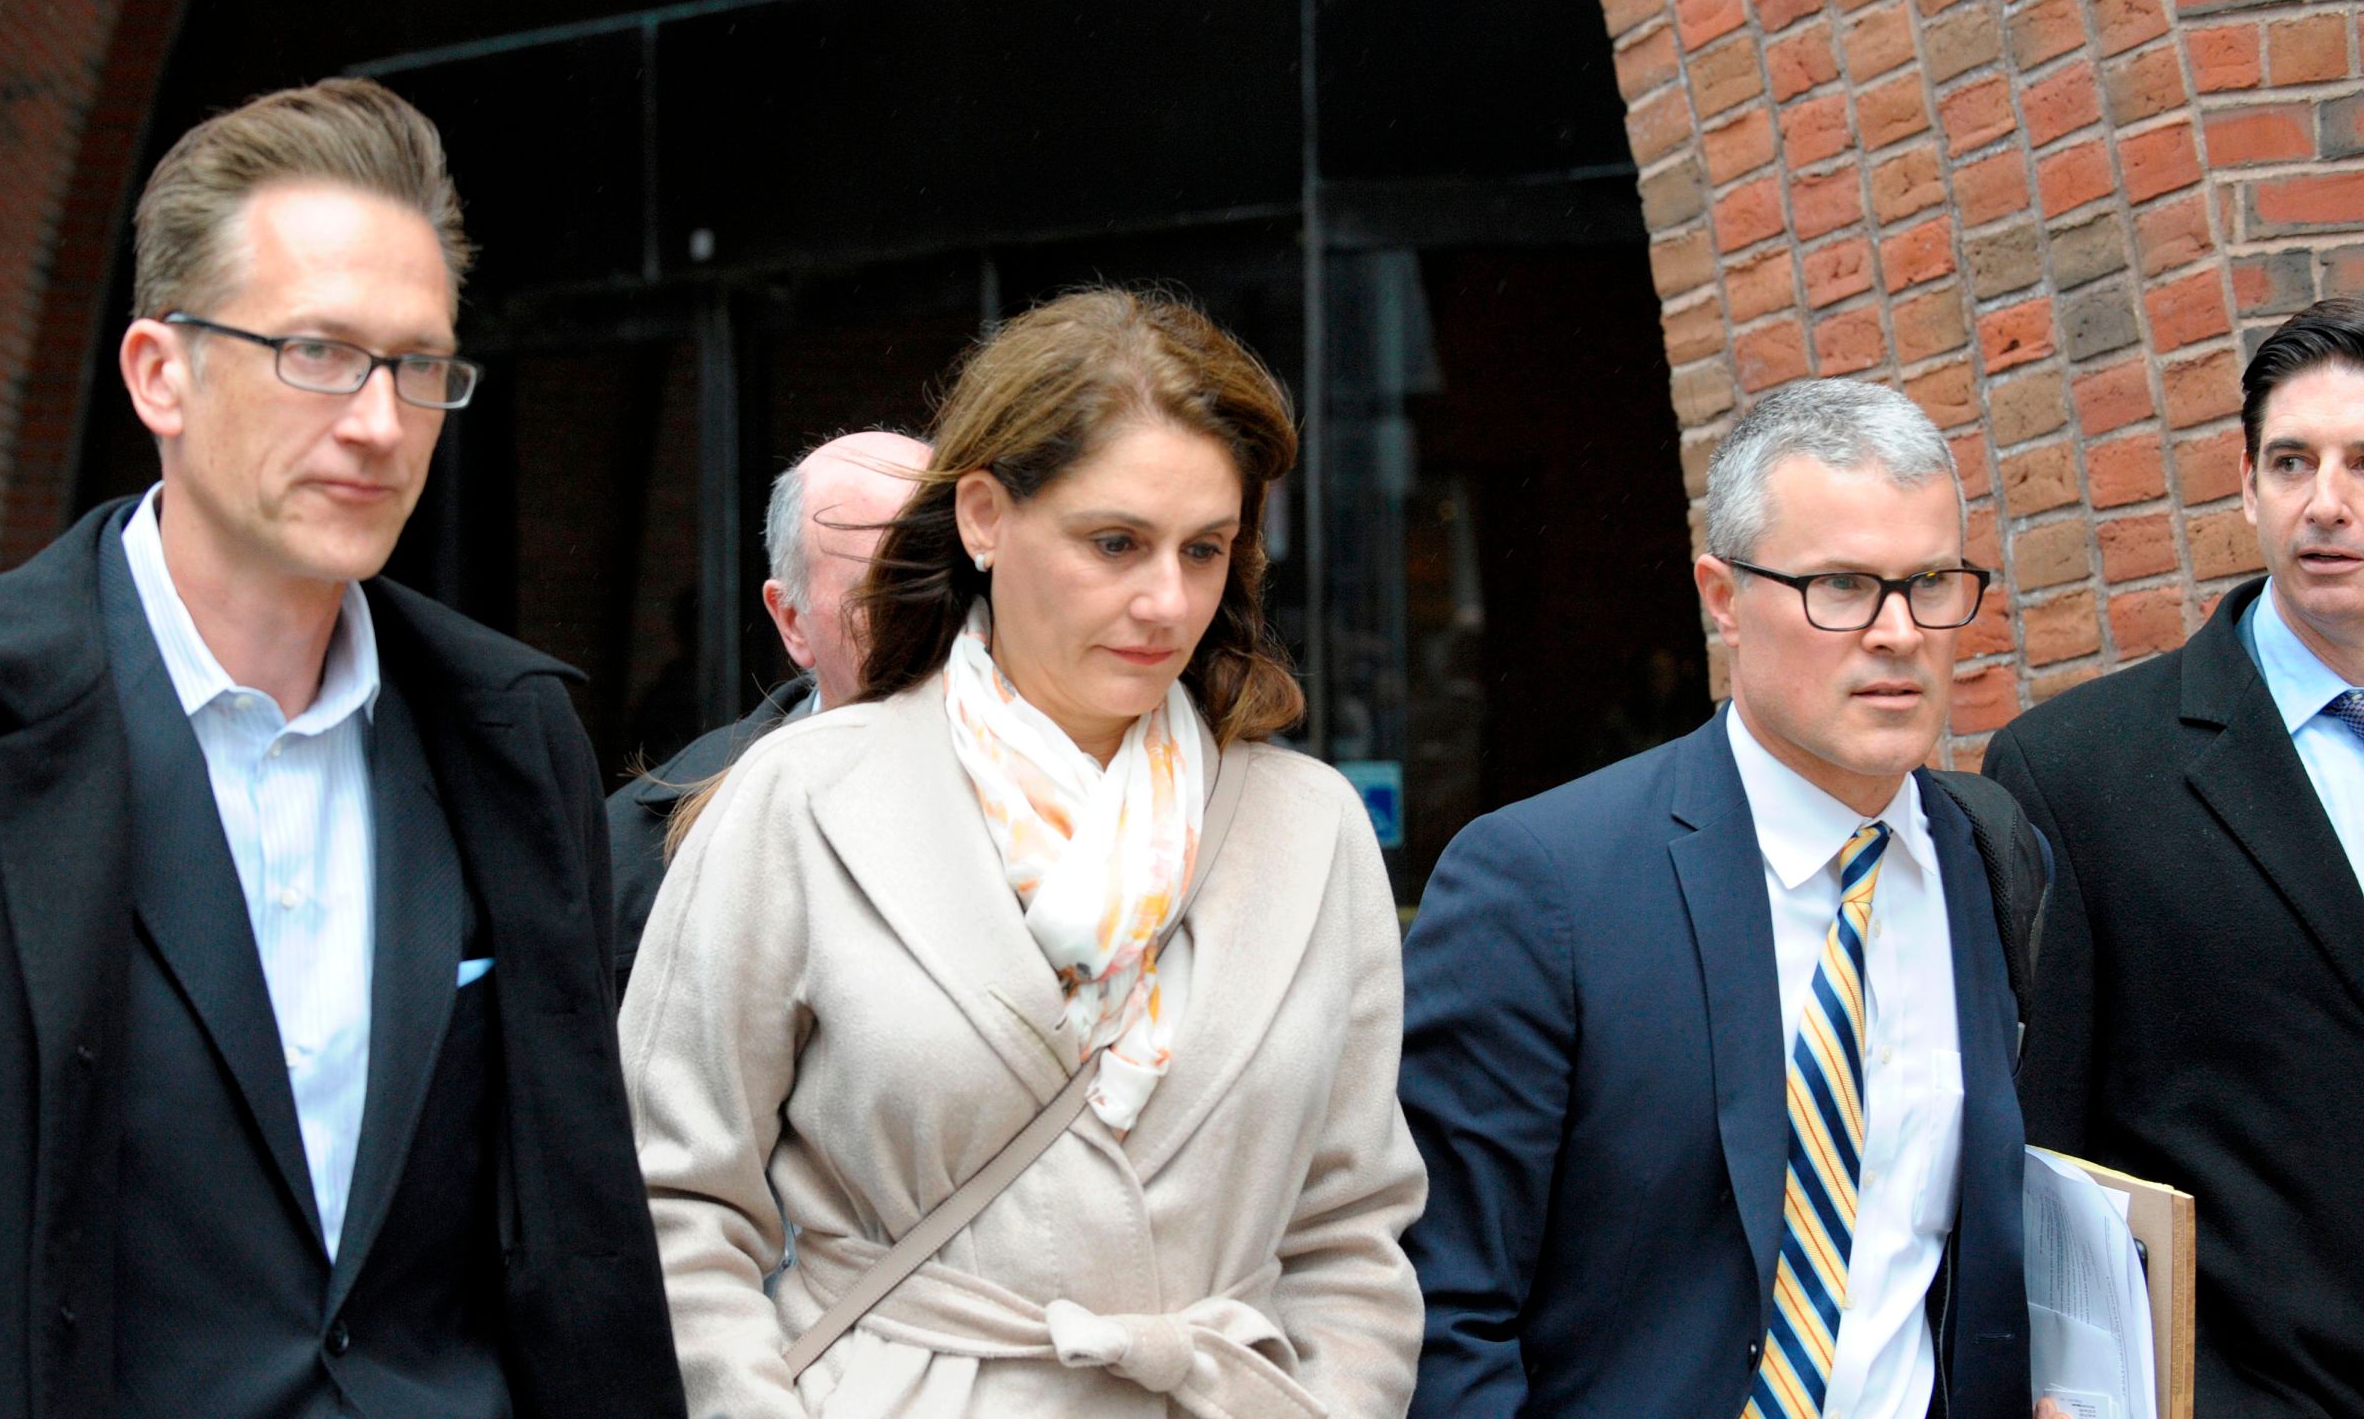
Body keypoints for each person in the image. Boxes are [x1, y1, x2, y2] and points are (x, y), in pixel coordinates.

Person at [0, 78, 684, 1418]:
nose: (380, 424)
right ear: (161, 372)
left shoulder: (510, 742)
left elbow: (575, 1224)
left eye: (418, 366)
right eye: (318, 353)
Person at [621, 288, 1427, 1417]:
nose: (1166, 599)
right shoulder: (798, 803)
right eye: (1115, 542)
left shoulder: (1311, 826)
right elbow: (670, 1207)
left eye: (1205, 549)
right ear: (984, 516)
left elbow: (1351, 1227)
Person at [1402, 378, 2031, 1417]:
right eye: (1839, 586)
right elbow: (1444, 1310)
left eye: (1929, 583)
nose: (1897, 632)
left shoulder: (1991, 863)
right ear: (1723, 598)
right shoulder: (1540, 884)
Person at [1984, 295, 2364, 1418]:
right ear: (2245, 488)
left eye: (2359, 462)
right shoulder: (2075, 771)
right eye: (2290, 464)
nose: (2326, 503)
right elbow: (2040, 1157)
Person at [607, 430, 930, 990]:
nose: (933, 623)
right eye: (882, 597)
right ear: (792, 621)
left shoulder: (1105, 790)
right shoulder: (642, 855)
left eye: (952, 584)